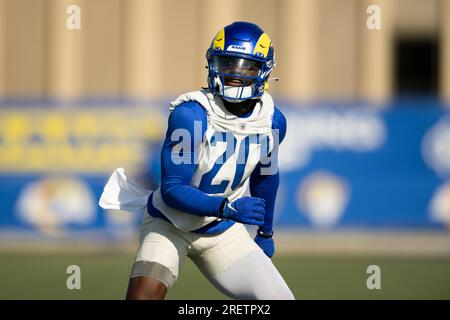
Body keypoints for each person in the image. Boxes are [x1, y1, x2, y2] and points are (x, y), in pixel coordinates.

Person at [100, 21, 294, 300]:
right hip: (170, 224)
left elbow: (265, 175)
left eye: (246, 66)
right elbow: (173, 188)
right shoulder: (192, 113)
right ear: (213, 64)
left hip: (222, 233)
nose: (235, 74)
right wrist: (226, 207)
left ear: (264, 70)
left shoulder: (272, 121)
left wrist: (265, 231)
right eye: (228, 63)